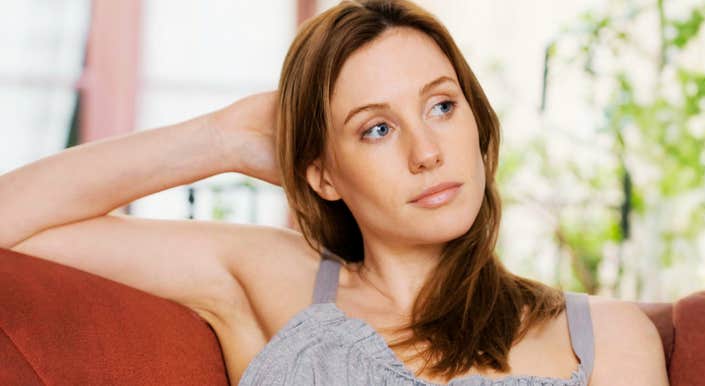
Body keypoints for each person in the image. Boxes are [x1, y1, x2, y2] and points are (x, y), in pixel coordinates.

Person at [0, 0, 668, 385]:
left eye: (441, 106)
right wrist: (222, 137)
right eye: (377, 128)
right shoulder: (269, 278)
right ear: (323, 173)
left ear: (478, 123)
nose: (427, 151)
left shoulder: (608, 338)